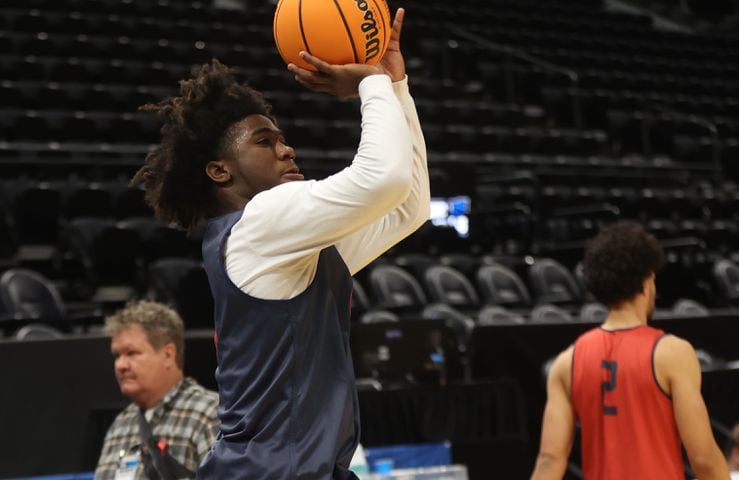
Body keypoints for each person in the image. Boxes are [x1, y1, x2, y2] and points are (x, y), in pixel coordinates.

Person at [131, 8, 428, 479]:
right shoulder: (260, 223)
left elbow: (408, 206)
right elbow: (384, 179)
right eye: (264, 142)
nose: (287, 149)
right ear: (220, 171)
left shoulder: (289, 247)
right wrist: (371, 84)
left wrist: (396, 86)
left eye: (283, 139)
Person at [530, 222, 730, 480]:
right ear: (647, 282)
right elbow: (703, 459)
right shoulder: (672, 354)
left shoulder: (566, 362)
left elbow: (549, 460)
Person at [95, 301, 219, 479]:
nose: (120, 365)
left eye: (131, 353)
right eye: (117, 355)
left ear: (168, 354)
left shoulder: (208, 414)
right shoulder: (119, 426)